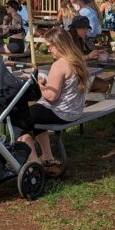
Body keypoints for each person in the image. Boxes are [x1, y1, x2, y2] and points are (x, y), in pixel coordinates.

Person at [10, 27, 87, 174]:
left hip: (61, 111)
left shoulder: (59, 64)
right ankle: (47, 157)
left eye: (50, 46)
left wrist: (39, 84)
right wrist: (46, 86)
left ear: (59, 44)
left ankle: (34, 164)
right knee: (36, 112)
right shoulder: (77, 59)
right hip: (75, 110)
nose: (48, 50)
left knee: (19, 120)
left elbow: (51, 97)